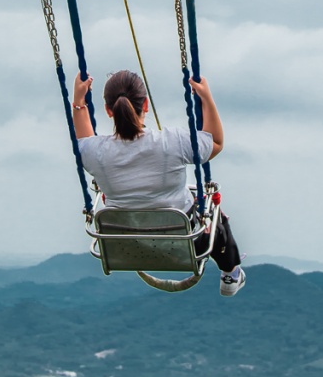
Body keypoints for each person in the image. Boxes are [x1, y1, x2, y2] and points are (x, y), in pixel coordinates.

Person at [71, 68, 245, 296]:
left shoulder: (95, 153)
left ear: (108, 111)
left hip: (126, 244)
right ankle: (230, 274)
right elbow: (216, 143)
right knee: (215, 215)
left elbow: (83, 140)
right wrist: (206, 97)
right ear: (145, 106)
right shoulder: (174, 142)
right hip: (187, 242)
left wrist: (78, 101)